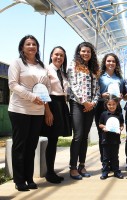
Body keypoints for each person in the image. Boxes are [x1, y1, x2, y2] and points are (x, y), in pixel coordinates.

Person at [8, 35, 50, 191]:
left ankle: (29, 177)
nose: (32, 46)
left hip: (37, 111)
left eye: (34, 44)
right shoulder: (17, 63)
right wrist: (32, 97)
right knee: (20, 145)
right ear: (22, 48)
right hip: (20, 109)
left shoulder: (42, 66)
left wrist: (45, 100)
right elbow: (13, 84)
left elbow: (46, 86)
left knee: (32, 145)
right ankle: (19, 180)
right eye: (28, 44)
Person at [68, 42, 100, 180]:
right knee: (78, 135)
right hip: (77, 104)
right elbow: (73, 85)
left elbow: (97, 89)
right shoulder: (73, 65)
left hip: (90, 107)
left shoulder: (94, 68)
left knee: (85, 137)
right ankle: (73, 167)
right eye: (83, 51)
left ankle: (82, 165)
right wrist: (84, 102)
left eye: (88, 51)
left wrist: (92, 103)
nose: (86, 53)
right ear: (79, 52)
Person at [41, 46, 72, 183]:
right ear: (51, 55)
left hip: (61, 104)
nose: (59, 57)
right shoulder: (46, 70)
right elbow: (42, 92)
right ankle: (49, 172)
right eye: (56, 54)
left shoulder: (63, 73)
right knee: (51, 139)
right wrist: (47, 111)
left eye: (62, 55)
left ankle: (51, 171)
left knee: (54, 140)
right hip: (51, 103)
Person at [94, 53, 124, 169]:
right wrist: (102, 94)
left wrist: (120, 97)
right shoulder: (100, 77)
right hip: (102, 107)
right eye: (108, 61)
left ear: (116, 64)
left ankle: (114, 163)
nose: (111, 63)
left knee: (115, 135)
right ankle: (105, 163)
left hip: (116, 108)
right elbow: (95, 92)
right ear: (104, 63)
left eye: (113, 61)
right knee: (103, 135)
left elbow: (121, 93)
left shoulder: (119, 79)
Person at [99, 95, 125, 180]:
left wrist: (121, 128)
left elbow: (121, 125)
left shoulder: (120, 115)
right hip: (106, 139)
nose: (111, 106)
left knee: (115, 156)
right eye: (109, 104)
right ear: (106, 105)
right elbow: (100, 124)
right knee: (105, 157)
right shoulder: (104, 114)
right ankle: (105, 172)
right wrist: (104, 127)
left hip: (115, 140)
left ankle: (116, 171)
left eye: (113, 104)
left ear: (117, 104)